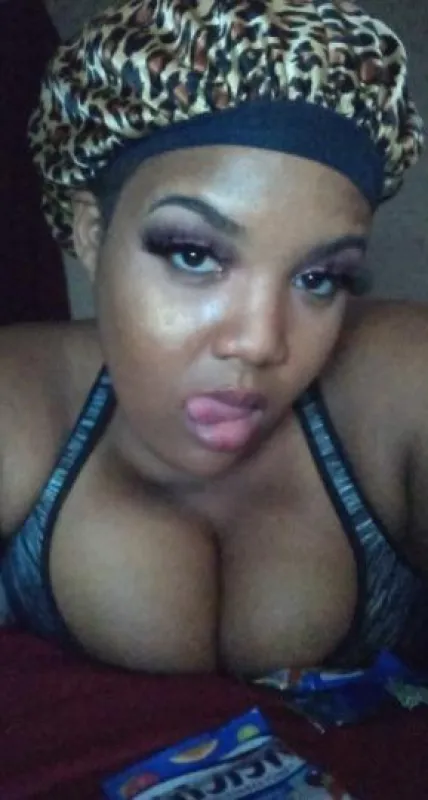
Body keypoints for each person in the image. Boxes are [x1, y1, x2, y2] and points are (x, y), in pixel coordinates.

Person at [0, 0, 427, 678]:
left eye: (319, 277)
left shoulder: (401, 383)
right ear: (92, 233)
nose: (260, 343)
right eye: (194, 255)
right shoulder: (18, 406)